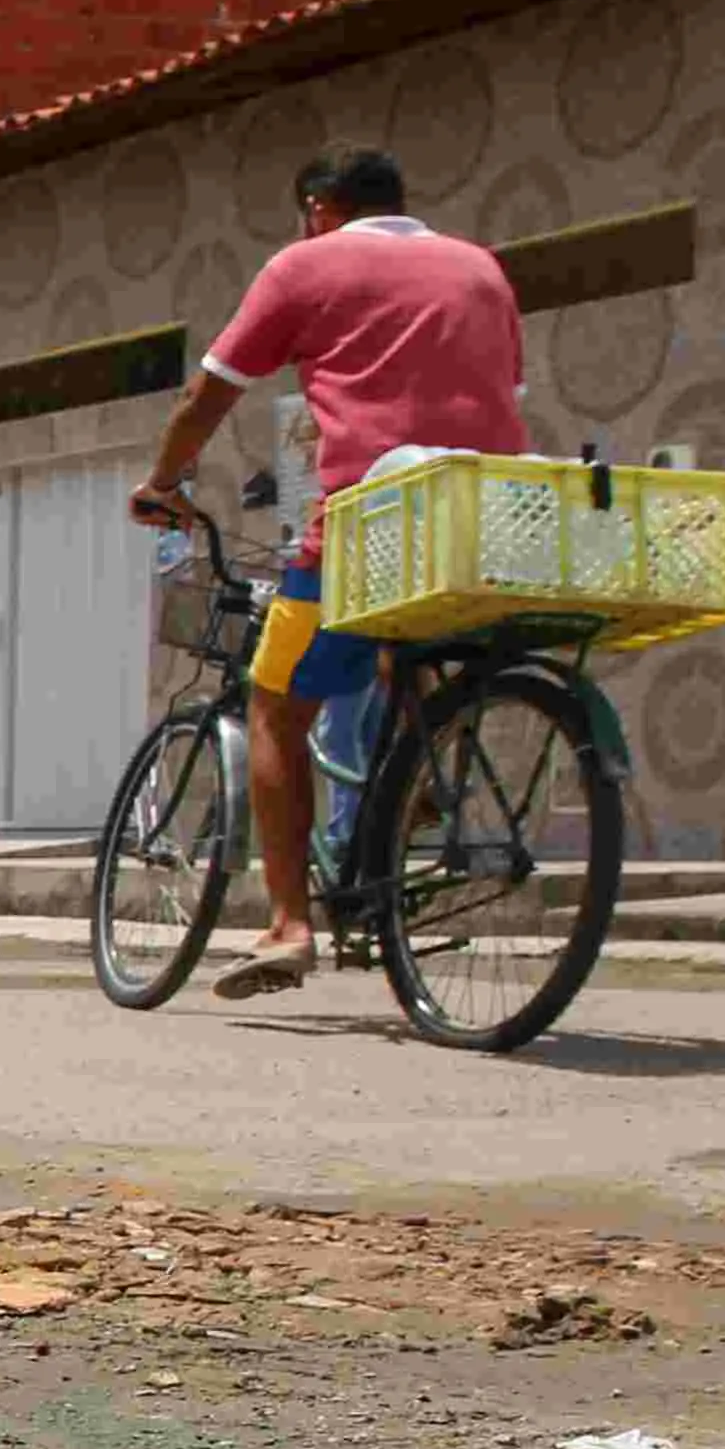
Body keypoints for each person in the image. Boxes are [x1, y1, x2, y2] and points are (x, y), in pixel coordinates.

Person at [128, 147, 527, 994]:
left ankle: (287, 925)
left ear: (317, 206)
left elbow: (206, 396)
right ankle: (415, 782)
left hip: (366, 522)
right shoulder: (480, 268)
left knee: (275, 705)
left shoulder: (306, 264)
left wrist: (162, 483)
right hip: (486, 519)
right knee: (407, 643)